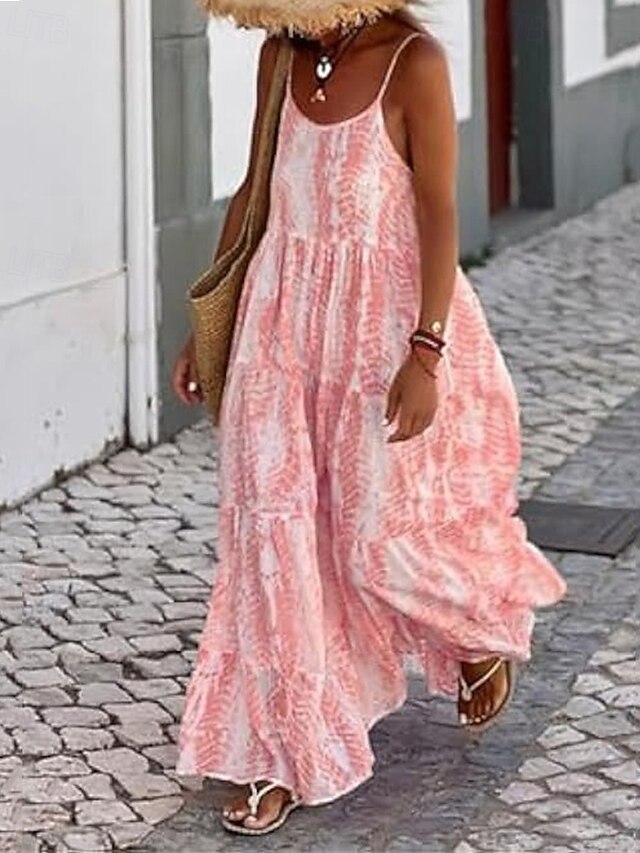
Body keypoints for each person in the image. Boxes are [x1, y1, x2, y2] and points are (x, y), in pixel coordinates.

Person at [172, 0, 567, 837]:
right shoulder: (281, 57)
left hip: (377, 328)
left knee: (372, 535)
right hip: (279, 324)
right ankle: (279, 750)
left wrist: (426, 350)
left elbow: (439, 212)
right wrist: (208, 323)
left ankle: (473, 631)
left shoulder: (413, 63)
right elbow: (254, 189)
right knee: (272, 532)